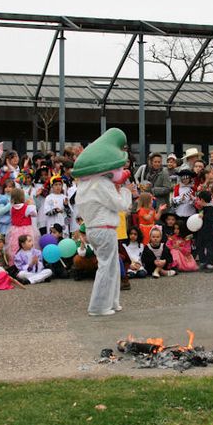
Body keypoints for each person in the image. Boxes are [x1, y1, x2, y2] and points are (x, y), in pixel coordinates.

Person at [72, 128, 133, 316]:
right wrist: (125, 190)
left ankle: (112, 302)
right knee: (107, 267)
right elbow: (120, 205)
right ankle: (99, 306)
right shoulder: (101, 184)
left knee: (112, 265)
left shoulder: (84, 185)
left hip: (94, 228)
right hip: (104, 228)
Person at [194, 189, 213, 270]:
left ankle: (209, 262)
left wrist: (203, 216)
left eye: (198, 199)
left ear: (202, 199)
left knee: (209, 247)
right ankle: (203, 261)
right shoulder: (204, 208)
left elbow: (210, 219)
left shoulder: (210, 208)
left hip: (209, 232)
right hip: (202, 231)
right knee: (199, 245)